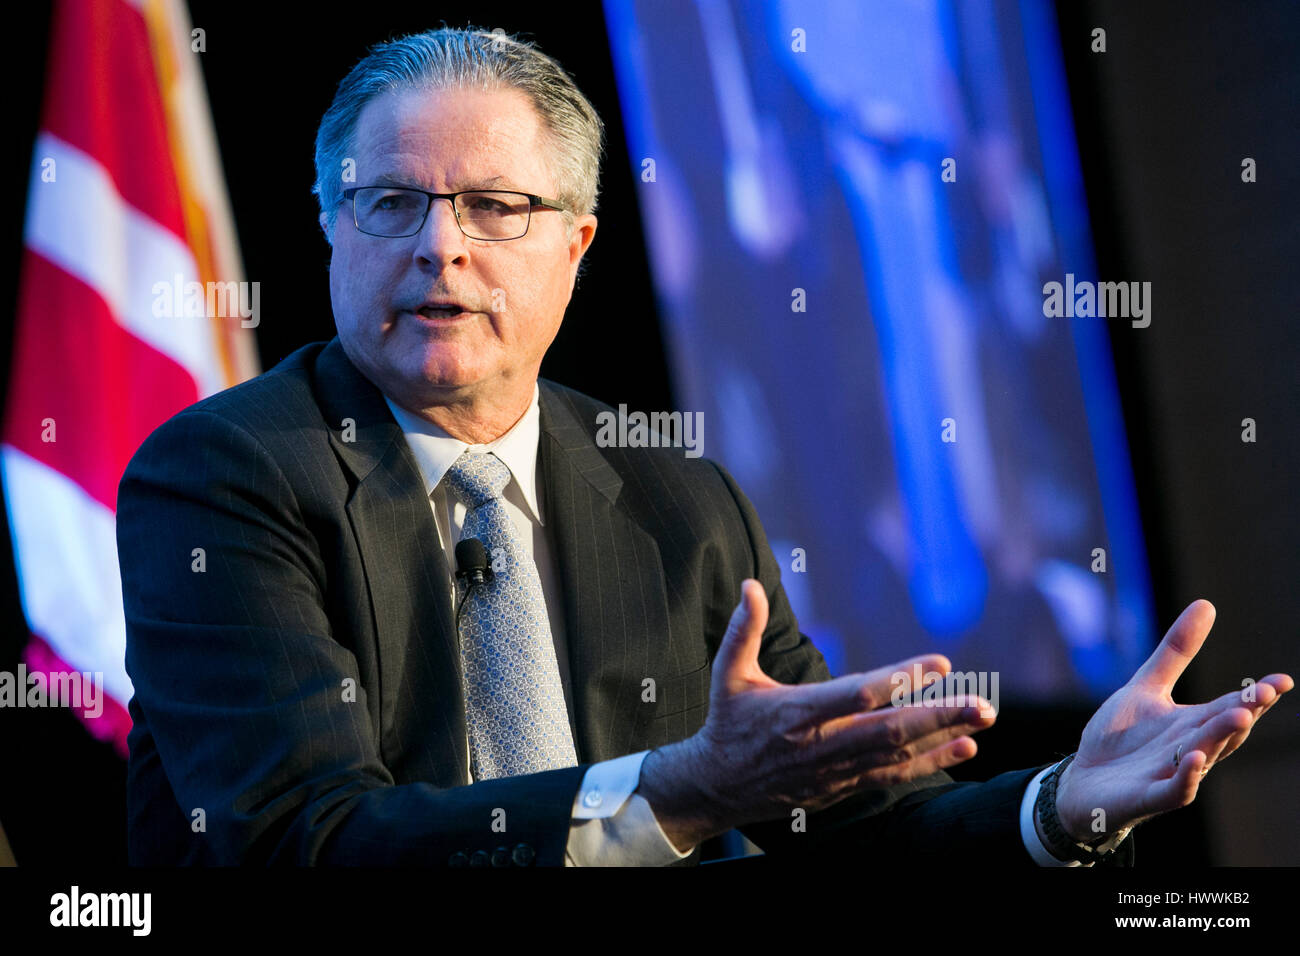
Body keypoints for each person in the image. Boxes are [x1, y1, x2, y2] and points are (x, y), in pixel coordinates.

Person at [117, 27, 1292, 867]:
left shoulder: (678, 494)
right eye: (390, 203)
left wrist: (1060, 804)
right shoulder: (224, 477)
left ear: (575, 244)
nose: (439, 247)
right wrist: (676, 791)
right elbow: (294, 842)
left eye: (493, 206)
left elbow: (850, 817)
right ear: (329, 226)